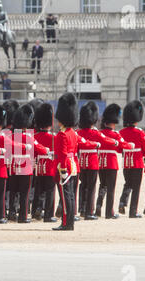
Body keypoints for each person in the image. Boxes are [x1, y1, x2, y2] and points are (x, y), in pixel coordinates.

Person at [76, 102, 119, 220]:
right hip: (93, 162)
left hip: (82, 162)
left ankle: (82, 209)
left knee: (83, 186)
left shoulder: (78, 133)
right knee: (91, 188)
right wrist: (115, 142)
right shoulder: (95, 133)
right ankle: (90, 212)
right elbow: (106, 139)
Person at [118, 101, 145, 218]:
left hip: (126, 163)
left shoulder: (121, 132)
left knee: (127, 184)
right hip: (137, 163)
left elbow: (119, 148)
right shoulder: (140, 132)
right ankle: (133, 212)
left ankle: (122, 202)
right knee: (136, 188)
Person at [9, 104, 49, 223]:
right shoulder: (28, 137)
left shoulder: (12, 136)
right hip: (26, 167)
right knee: (24, 193)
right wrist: (47, 150)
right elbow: (39, 148)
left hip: (14, 166)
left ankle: (11, 212)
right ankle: (23, 216)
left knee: (13, 191)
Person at [95, 104, 134, 219]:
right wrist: (130, 145)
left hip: (100, 162)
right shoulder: (115, 134)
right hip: (111, 163)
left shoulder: (100, 133)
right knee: (111, 189)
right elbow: (121, 146)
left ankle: (98, 205)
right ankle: (109, 212)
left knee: (102, 185)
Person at [52, 93, 81, 231]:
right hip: (73, 165)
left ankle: (66, 223)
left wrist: (63, 170)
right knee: (70, 196)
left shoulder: (62, 134)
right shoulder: (73, 133)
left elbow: (63, 154)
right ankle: (70, 223)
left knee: (65, 197)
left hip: (64, 167)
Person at [33, 103, 58, 223]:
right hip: (50, 167)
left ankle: (38, 208)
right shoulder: (54, 137)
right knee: (50, 191)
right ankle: (48, 215)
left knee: (40, 190)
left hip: (39, 167)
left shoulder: (35, 136)